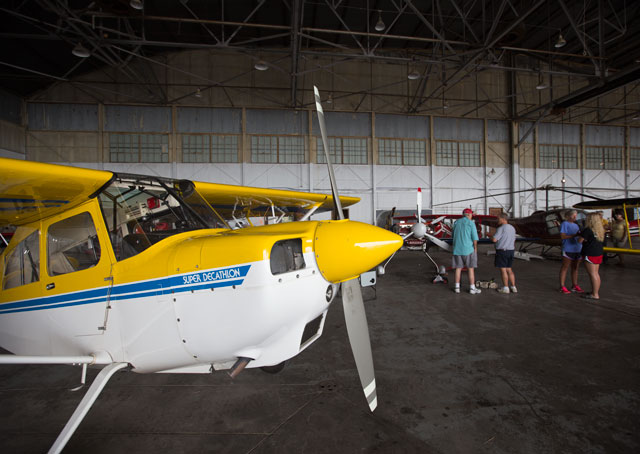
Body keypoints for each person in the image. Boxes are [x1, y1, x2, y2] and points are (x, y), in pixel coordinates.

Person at [452, 208, 480, 294]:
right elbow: (474, 238)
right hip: (468, 249)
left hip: (457, 249)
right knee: (470, 269)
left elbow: (453, 235)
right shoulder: (471, 223)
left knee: (458, 268)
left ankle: (457, 287)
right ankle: (472, 288)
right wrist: (475, 247)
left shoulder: (456, 223)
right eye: (471, 215)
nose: (472, 217)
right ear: (469, 215)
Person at [577, 213, 605, 300]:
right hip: (598, 252)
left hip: (590, 253)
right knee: (596, 274)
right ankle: (594, 291)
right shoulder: (600, 230)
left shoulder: (587, 230)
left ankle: (595, 294)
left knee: (592, 274)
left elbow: (579, 241)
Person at [559, 209, 584, 294]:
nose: (575, 217)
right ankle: (562, 286)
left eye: (576, 215)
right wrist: (575, 235)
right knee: (565, 267)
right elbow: (563, 236)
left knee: (575, 268)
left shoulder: (576, 225)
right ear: (569, 216)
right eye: (574, 215)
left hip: (577, 249)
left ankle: (574, 285)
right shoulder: (564, 224)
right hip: (568, 249)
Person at [491, 213, 517, 294]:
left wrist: (490, 236)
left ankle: (505, 288)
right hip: (511, 251)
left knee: (503, 270)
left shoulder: (501, 228)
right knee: (509, 269)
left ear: (503, 219)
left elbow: (494, 240)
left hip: (502, 251)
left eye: (498, 218)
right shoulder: (512, 228)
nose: (497, 220)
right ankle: (513, 287)